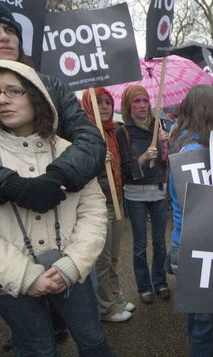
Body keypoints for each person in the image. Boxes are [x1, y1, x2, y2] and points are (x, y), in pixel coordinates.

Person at [0, 59, 136, 357]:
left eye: (14, 90)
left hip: (69, 270)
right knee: (38, 349)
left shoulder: (68, 153)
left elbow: (93, 212)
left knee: (91, 334)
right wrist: (24, 275)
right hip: (7, 282)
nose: (2, 99)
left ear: (37, 96)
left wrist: (71, 265)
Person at [0, 0, 105, 213]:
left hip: (58, 210)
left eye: (10, 29)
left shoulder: (52, 86)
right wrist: (10, 185)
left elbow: (90, 140)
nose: (4, 36)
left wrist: (58, 175)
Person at [169, 85, 213, 357]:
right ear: (208, 111)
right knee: (206, 324)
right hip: (198, 246)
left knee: (199, 320)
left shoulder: (193, 146)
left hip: (190, 245)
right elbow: (202, 208)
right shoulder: (194, 153)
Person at [80, 88, 135, 322]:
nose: (105, 107)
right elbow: (77, 170)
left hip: (116, 201)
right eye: (99, 102)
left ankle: (114, 295)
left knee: (113, 257)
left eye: (108, 102)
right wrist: (95, 161)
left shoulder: (111, 131)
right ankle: (106, 307)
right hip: (99, 204)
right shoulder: (83, 133)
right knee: (102, 260)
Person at [115, 85, 169, 306]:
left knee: (159, 242)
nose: (142, 106)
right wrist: (144, 157)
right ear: (129, 106)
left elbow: (165, 163)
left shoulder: (159, 126)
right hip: (135, 194)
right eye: (136, 101)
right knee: (139, 245)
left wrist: (165, 144)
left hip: (157, 191)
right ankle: (144, 286)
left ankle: (160, 281)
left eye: (145, 101)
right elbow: (127, 169)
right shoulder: (123, 131)